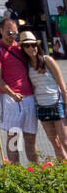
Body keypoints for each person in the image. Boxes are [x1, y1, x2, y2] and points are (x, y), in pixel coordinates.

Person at [0, 15, 37, 163]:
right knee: (14, 139)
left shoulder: (21, 47)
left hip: (28, 97)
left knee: (30, 138)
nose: (12, 36)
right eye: (9, 33)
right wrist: (12, 93)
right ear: (1, 31)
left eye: (15, 33)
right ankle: (16, 172)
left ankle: (35, 172)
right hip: (11, 99)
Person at [21, 30, 67, 163]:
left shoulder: (48, 60)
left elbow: (62, 85)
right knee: (55, 143)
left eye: (33, 45)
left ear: (38, 45)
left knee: (64, 141)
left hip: (56, 102)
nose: (31, 48)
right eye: (27, 46)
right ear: (23, 49)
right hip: (41, 106)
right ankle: (62, 170)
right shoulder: (27, 65)